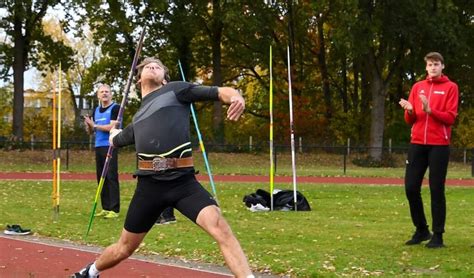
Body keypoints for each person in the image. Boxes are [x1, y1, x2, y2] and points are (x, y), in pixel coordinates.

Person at [73, 57, 254, 278]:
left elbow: (219, 91)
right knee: (124, 248)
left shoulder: (177, 90)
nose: (152, 65)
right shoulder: (138, 119)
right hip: (149, 187)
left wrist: (236, 96)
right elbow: (118, 139)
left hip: (183, 183)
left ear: (165, 79)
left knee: (220, 228)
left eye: (158, 66)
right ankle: (90, 272)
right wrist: (112, 137)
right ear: (138, 79)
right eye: (147, 65)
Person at [399, 52, 459, 248]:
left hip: (439, 145)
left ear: (443, 66)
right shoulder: (417, 87)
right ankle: (422, 229)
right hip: (417, 143)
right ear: (426, 68)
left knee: (436, 189)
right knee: (410, 188)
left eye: (436, 64)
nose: (433, 67)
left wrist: (430, 110)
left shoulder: (451, 88)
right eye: (430, 65)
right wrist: (409, 110)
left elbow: (450, 118)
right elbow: (411, 119)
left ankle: (438, 235)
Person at [83, 84, 121, 219]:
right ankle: (105, 207)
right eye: (102, 92)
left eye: (107, 92)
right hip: (98, 146)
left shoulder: (115, 108)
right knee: (101, 177)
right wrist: (88, 125)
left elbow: (112, 126)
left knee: (111, 176)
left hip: (110, 145)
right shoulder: (96, 110)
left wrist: (95, 125)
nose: (104, 94)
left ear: (111, 94)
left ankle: (114, 209)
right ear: (98, 95)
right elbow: (91, 131)